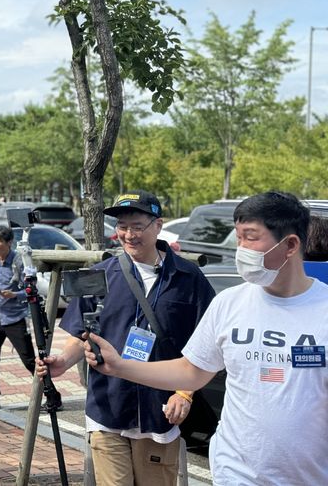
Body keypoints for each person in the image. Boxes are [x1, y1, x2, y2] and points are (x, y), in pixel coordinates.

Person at [77, 191, 328, 485]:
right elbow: (191, 370)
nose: (241, 249)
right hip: (234, 472)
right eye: (239, 237)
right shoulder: (229, 303)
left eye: (251, 237)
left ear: (290, 245)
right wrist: (119, 366)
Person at [37, 190, 215, 486]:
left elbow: (206, 347)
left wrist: (184, 393)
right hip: (108, 407)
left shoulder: (189, 278)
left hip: (161, 412)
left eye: (137, 226)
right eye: (122, 227)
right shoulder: (100, 274)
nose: (128, 234)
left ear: (158, 225)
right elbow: (84, 334)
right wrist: (62, 362)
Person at [0, 225, 61, 410]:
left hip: (14, 318)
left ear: (9, 243)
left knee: (30, 361)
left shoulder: (18, 261)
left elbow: (32, 287)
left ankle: (53, 395)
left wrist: (15, 295)